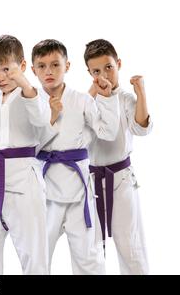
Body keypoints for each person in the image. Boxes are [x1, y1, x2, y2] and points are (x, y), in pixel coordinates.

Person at [32, 39, 120, 274]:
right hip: (44, 192)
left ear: (67, 66)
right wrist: (51, 116)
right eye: (41, 66)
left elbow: (108, 132)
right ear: (33, 70)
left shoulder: (82, 100)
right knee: (37, 258)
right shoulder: (30, 102)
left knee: (89, 260)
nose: (48, 71)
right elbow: (28, 145)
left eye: (55, 65)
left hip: (79, 192)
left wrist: (108, 98)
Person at [0, 35, 54, 274]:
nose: (0, 77)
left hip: (24, 184)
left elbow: (42, 120)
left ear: (21, 67)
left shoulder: (33, 95)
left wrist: (24, 84)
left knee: (33, 254)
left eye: (6, 70)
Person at [85, 39, 152, 274]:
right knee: (90, 249)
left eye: (109, 67)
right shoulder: (87, 100)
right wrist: (93, 93)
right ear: (89, 72)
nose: (104, 75)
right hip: (91, 181)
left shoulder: (124, 98)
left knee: (130, 246)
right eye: (96, 71)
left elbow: (141, 128)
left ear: (119, 64)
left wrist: (140, 91)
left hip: (121, 179)